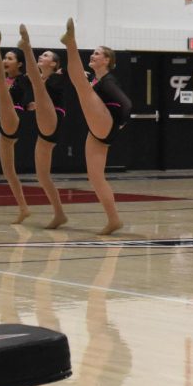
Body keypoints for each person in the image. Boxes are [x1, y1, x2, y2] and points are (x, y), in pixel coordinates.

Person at [60, 18, 131, 235]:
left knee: (82, 86)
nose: (93, 55)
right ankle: (114, 220)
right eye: (92, 52)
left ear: (107, 60)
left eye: (97, 53)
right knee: (95, 177)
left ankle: (71, 43)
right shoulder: (97, 80)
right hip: (97, 130)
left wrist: (120, 125)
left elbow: (126, 105)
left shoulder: (108, 81)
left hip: (106, 124)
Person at [19, 25, 68, 229]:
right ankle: (59, 214)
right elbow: (44, 99)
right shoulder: (42, 80)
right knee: (42, 174)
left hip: (54, 120)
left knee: (36, 81)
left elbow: (53, 99)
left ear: (54, 64)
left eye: (46, 55)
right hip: (45, 123)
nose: (43, 56)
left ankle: (26, 44)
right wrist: (35, 106)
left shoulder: (57, 77)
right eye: (41, 54)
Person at [0, 30, 31, 224]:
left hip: (14, 118)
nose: (7, 61)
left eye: (10, 58)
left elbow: (38, 90)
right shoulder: (7, 80)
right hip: (5, 127)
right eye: (4, 57)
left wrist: (35, 104)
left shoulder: (24, 79)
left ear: (20, 64)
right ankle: (23, 208)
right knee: (8, 171)